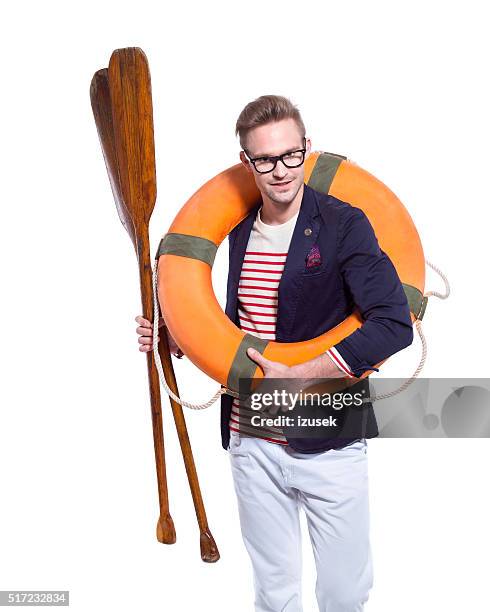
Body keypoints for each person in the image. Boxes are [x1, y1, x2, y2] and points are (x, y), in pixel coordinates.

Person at [136, 95, 414, 612]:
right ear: (247, 162)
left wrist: (306, 373)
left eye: (289, 155)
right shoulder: (237, 228)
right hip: (250, 438)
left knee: (345, 591)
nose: (280, 170)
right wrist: (172, 337)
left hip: (329, 439)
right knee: (273, 592)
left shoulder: (343, 224)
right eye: (265, 159)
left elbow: (394, 324)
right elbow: (228, 329)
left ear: (307, 149)